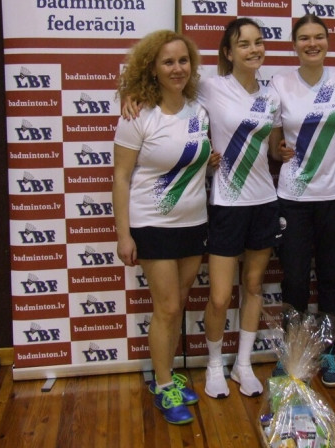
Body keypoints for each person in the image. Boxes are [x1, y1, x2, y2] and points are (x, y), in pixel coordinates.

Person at [122, 18, 281, 400]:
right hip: (223, 205)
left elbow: (272, 146)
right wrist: (131, 93)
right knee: (219, 296)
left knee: (254, 287)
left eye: (259, 42)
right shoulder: (210, 87)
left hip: (261, 202)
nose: (253, 49)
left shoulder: (273, 94)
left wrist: (281, 153)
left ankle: (242, 365)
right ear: (228, 52)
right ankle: (212, 365)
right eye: (243, 44)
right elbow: (163, 83)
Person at [112, 30, 211, 425]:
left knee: (178, 304)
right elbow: (120, 177)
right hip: (152, 224)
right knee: (167, 308)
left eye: (183, 61)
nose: (177, 69)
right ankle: (163, 382)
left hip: (193, 222)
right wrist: (124, 234)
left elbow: (193, 160)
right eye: (168, 62)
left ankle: (165, 375)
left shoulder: (198, 111)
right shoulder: (137, 115)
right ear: (152, 68)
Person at [268, 14, 335, 387]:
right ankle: (293, 354)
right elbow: (274, 143)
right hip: (294, 197)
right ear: (294, 44)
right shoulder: (279, 83)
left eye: (319, 36)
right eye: (304, 38)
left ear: (327, 41)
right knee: (296, 280)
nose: (312, 43)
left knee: (334, 277)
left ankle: (329, 353)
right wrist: (281, 150)